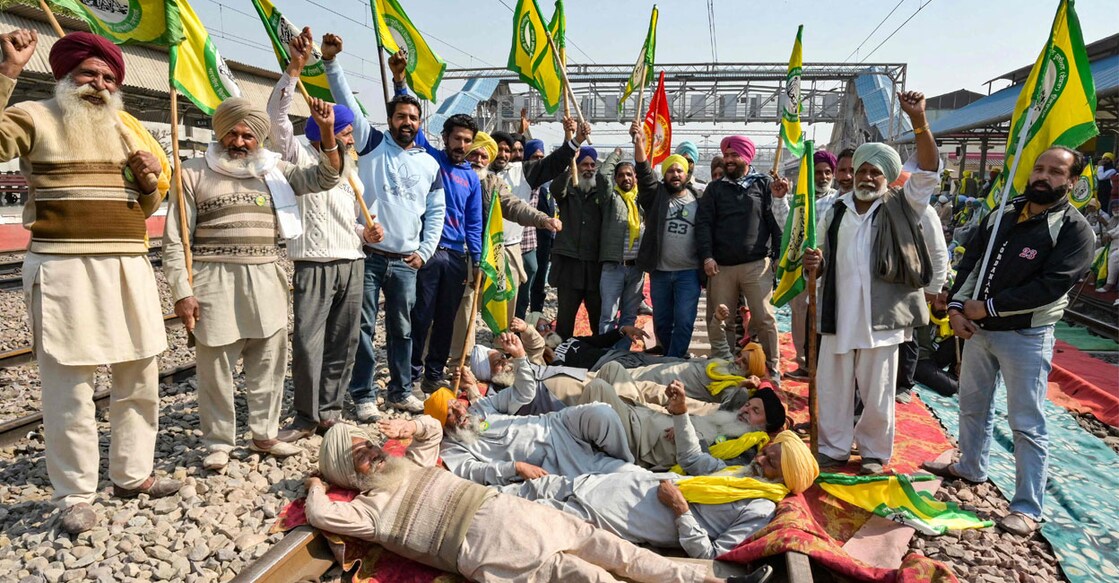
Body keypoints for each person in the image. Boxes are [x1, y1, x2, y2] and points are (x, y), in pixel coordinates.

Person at [0, 29, 179, 533]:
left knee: (138, 376)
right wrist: (8, 71)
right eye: (87, 74)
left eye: (106, 76)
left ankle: (132, 475)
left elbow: (144, 207)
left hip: (127, 266)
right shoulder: (35, 116)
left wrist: (148, 179)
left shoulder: (128, 130)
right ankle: (75, 494)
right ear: (64, 76)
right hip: (63, 269)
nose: (97, 83)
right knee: (70, 387)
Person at [306, 422, 760, 583]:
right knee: (593, 579)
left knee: (625, 554)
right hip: (489, 547)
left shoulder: (411, 465)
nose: (372, 453)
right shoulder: (370, 509)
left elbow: (430, 429)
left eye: (369, 446)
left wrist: (403, 426)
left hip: (520, 512)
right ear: (350, 477)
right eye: (359, 459)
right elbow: (321, 512)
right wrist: (315, 485)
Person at [922, 146, 1094, 536]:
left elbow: (1051, 286)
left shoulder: (1073, 229)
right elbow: (971, 262)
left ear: (1071, 182)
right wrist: (956, 309)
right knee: (972, 404)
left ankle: (1027, 506)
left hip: (1026, 337)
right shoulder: (1004, 213)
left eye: (1055, 172)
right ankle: (969, 466)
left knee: (1026, 422)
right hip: (978, 332)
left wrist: (991, 308)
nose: (1043, 176)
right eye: (1039, 168)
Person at [165, 96, 343, 471]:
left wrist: (327, 133)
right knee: (215, 366)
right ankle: (218, 442)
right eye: (233, 133)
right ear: (220, 133)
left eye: (249, 135)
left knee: (268, 361)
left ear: (259, 140)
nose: (241, 142)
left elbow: (325, 178)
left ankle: (265, 434)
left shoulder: (274, 169)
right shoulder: (191, 172)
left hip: (265, 274)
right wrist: (182, 291)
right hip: (213, 279)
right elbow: (175, 241)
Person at [497, 383, 806, 565]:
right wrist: (682, 413)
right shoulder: (742, 474)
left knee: (518, 513)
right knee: (533, 487)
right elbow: (694, 459)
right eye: (767, 452)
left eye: (771, 461)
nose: (762, 457)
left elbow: (711, 556)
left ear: (783, 477)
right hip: (620, 481)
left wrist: (681, 509)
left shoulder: (759, 507)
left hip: (621, 512)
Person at [802, 90, 940, 475]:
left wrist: (919, 122)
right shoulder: (835, 209)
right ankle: (833, 447)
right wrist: (815, 263)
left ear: (887, 177)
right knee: (833, 386)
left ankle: (875, 453)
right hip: (839, 314)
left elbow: (928, 168)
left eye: (875, 172)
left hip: (882, 317)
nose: (866, 177)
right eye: (862, 170)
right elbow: (821, 256)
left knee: (878, 391)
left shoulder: (903, 204)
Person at [267, 32, 382, 441]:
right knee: (308, 343)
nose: (350, 139)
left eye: (347, 133)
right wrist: (294, 69)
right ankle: (304, 415)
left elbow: (346, 220)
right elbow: (276, 118)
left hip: (352, 260)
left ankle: (330, 411)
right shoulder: (297, 153)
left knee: (343, 341)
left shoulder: (351, 168)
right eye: (343, 133)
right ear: (323, 129)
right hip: (313, 260)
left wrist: (365, 231)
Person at [323, 40, 445, 419]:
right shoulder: (372, 143)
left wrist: (424, 252)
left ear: (419, 123)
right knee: (362, 331)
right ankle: (363, 396)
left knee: (403, 331)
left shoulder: (429, 163)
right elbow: (347, 100)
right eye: (400, 117)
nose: (406, 122)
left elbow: (436, 212)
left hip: (406, 262)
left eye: (413, 118)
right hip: (369, 258)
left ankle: (400, 390)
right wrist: (330, 62)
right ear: (389, 120)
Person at [425, 333, 645, 486]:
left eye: (457, 406)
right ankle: (629, 470)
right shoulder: (453, 449)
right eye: (450, 414)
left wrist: (520, 357)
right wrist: (515, 467)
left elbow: (524, 393)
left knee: (601, 412)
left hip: (557, 423)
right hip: (547, 455)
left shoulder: (481, 407)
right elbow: (474, 471)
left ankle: (627, 458)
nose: (460, 413)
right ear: (442, 425)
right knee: (616, 473)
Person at [446, 131, 560, 375]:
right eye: (474, 153)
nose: (478, 159)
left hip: (494, 255)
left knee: (502, 307)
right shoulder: (451, 176)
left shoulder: (493, 182)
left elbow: (515, 206)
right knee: (463, 314)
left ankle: (502, 358)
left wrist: (542, 219)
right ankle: (460, 365)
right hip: (460, 255)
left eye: (483, 155)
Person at [697, 135, 789, 380]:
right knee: (720, 319)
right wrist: (707, 256)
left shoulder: (764, 185)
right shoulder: (715, 188)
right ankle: (724, 364)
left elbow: (776, 224)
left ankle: (772, 367)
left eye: (733, 155)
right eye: (726, 156)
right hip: (721, 267)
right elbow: (704, 224)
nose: (728, 160)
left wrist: (778, 256)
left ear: (746, 158)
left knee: (764, 318)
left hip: (756, 265)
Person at [631, 122, 704, 357]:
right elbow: (643, 171)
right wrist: (640, 144)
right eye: (670, 171)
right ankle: (671, 354)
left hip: (688, 273)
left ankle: (673, 360)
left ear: (686, 174)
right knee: (662, 321)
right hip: (660, 272)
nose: (675, 174)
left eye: (679, 171)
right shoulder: (656, 196)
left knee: (684, 319)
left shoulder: (698, 199)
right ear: (665, 174)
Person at [489, 130, 569, 320]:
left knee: (513, 293)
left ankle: (509, 336)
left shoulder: (523, 172)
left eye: (507, 150)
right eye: (498, 149)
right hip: (482, 247)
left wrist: (573, 141)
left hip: (516, 244)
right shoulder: (478, 173)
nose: (504, 154)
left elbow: (516, 207)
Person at [629, 304, 769, 407]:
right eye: (740, 356)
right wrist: (718, 319)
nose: (737, 360)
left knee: (619, 385)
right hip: (658, 370)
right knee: (617, 372)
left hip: (658, 386)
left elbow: (729, 406)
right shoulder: (727, 360)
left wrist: (742, 387)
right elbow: (718, 338)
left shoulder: (730, 388)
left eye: (744, 362)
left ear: (750, 371)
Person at [786, 150, 842, 380]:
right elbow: (786, 228)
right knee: (800, 316)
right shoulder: (798, 201)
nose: (823, 177)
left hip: (829, 271)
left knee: (826, 319)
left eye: (827, 172)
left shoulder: (838, 200)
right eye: (818, 172)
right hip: (801, 269)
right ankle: (804, 364)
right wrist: (780, 200)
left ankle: (825, 367)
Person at [550, 140, 604, 338]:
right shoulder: (568, 189)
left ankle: (598, 356)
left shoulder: (602, 191)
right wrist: (569, 164)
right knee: (565, 318)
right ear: (577, 166)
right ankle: (562, 359)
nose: (589, 169)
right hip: (569, 266)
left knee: (597, 316)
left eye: (592, 165)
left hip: (594, 265)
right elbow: (556, 189)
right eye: (584, 164)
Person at [596, 147, 646, 345]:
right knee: (608, 315)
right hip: (613, 267)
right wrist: (615, 154)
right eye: (621, 175)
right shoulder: (610, 198)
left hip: (636, 269)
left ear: (635, 177)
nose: (626, 178)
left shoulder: (641, 200)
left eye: (629, 174)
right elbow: (601, 175)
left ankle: (622, 353)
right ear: (616, 179)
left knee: (629, 316)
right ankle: (606, 354)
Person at [517, 138, 551, 318]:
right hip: (517, 242)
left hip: (537, 241)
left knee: (535, 278)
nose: (539, 161)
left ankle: (530, 318)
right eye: (535, 157)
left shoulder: (543, 182)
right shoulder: (522, 178)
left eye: (542, 157)